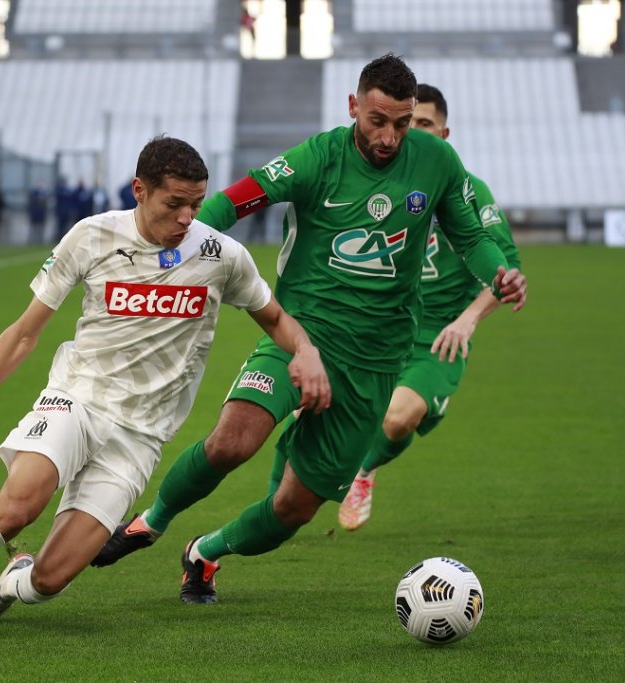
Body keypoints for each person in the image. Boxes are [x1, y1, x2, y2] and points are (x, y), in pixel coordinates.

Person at [0, 136, 331, 653]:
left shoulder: (221, 255)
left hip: (140, 435)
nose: (187, 217)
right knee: (16, 507)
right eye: (174, 203)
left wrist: (306, 352)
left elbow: (274, 318)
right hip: (77, 398)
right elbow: (24, 332)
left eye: (195, 204)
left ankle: (15, 578)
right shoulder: (92, 237)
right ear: (140, 190)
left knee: (51, 580)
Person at [91, 54, 527, 604]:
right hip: (301, 335)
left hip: (376, 358)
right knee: (233, 441)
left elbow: (471, 237)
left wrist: (499, 274)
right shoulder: (318, 158)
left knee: (291, 510)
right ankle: (149, 523)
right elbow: (236, 199)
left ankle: (204, 552)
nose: (390, 136)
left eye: (400, 122)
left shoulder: (437, 161)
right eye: (377, 120)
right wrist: (174, 245)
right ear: (353, 107)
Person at [334, 83, 522, 530]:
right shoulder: (375, 181)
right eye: (405, 123)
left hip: (436, 335)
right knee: (307, 411)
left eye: (423, 124)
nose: (410, 132)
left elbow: (505, 269)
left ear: (444, 133)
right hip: (375, 327)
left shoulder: (469, 191)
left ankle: (363, 473)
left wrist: (467, 320)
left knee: (398, 417)